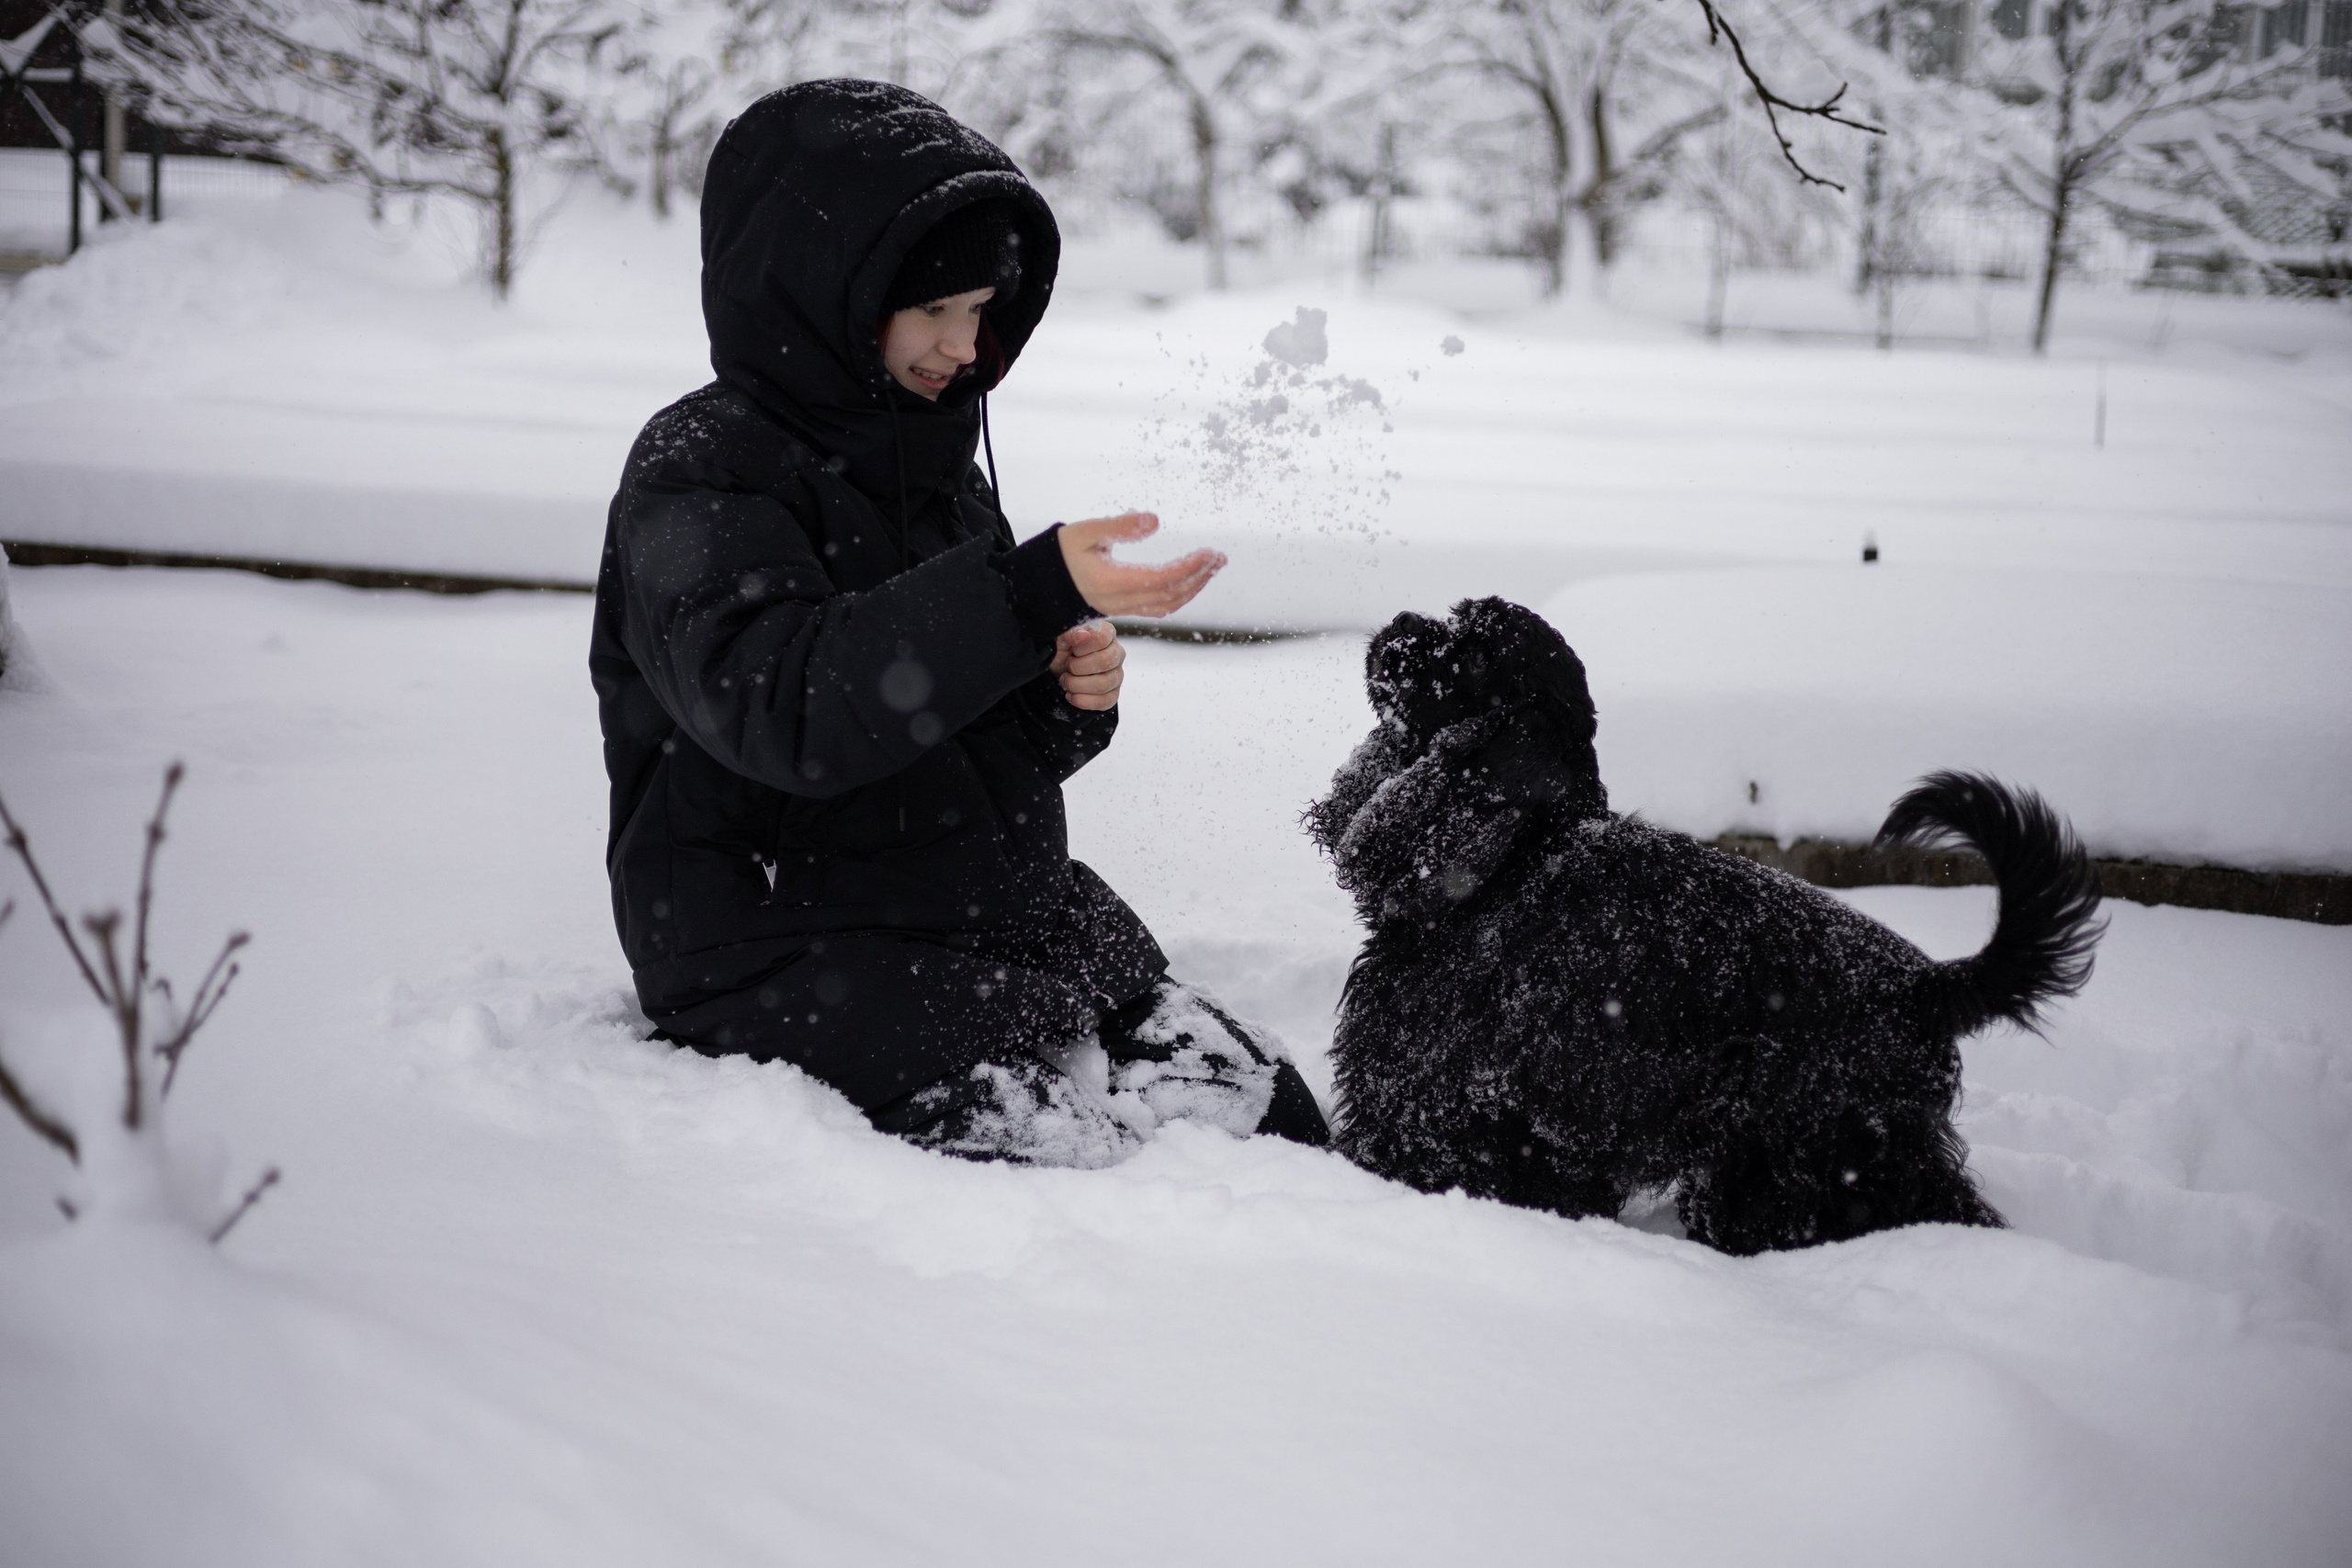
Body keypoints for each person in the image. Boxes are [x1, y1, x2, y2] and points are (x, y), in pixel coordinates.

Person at [591, 79, 1329, 1166]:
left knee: (1255, 1108)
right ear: (825, 293)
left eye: (982, 311)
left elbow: (947, 728)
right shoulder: (700, 472)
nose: (962, 346)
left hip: (985, 911)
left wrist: (1060, 699)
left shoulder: (933, 457)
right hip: (775, 938)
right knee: (1092, 1167)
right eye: (934, 310)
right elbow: (786, 710)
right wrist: (1019, 598)